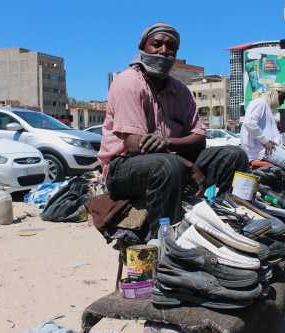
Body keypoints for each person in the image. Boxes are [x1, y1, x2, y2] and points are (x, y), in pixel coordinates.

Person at [98, 23, 248, 228]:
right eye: (157, 44)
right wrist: (187, 164)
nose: (164, 51)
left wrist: (168, 142)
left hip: (173, 162)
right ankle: (165, 237)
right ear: (143, 48)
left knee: (233, 155)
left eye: (171, 48)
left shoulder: (181, 91)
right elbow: (134, 145)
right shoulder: (128, 83)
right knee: (169, 165)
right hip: (122, 168)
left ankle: (227, 219)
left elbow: (198, 139)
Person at [240, 84, 285, 196]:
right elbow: (249, 123)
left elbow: (275, 139)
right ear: (276, 93)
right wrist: (265, 141)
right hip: (260, 152)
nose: (282, 102)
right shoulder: (260, 103)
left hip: (267, 149)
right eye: (282, 98)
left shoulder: (267, 108)